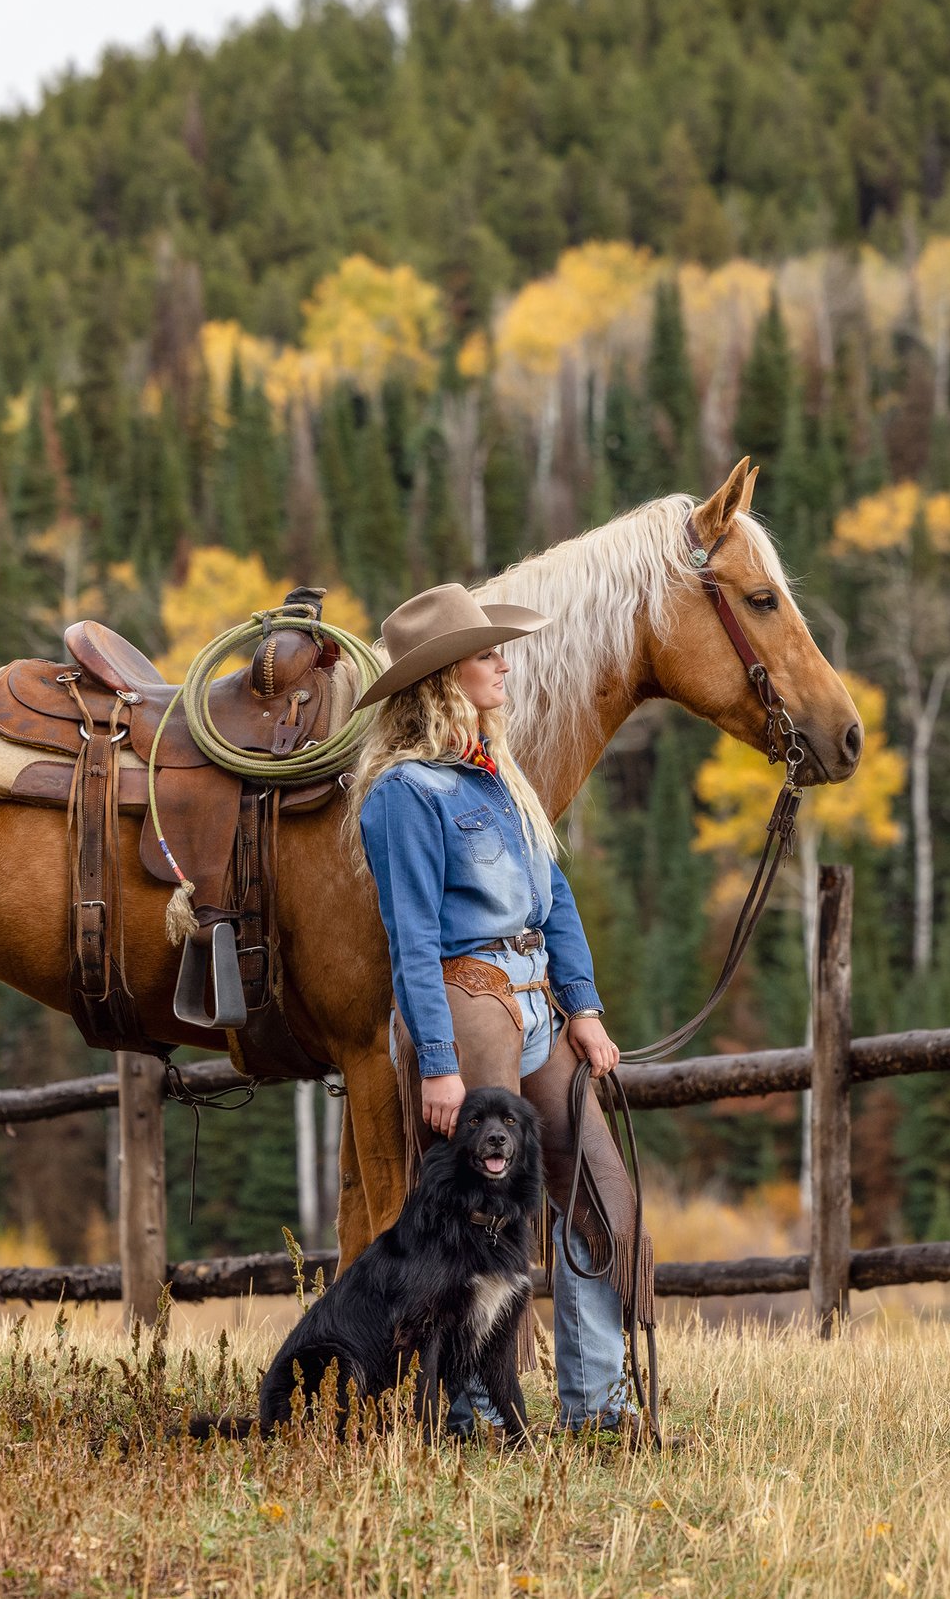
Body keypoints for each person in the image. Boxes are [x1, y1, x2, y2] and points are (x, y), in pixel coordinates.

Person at [350, 582, 648, 1435]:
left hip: (536, 1000)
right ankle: (475, 1406)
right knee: (479, 1214)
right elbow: (411, 941)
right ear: (446, 675)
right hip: (465, 998)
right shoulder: (405, 794)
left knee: (597, 1189)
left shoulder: (500, 772)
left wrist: (583, 1008)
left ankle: (596, 1406)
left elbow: (556, 897)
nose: (503, 664)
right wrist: (437, 1061)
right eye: (487, 654)